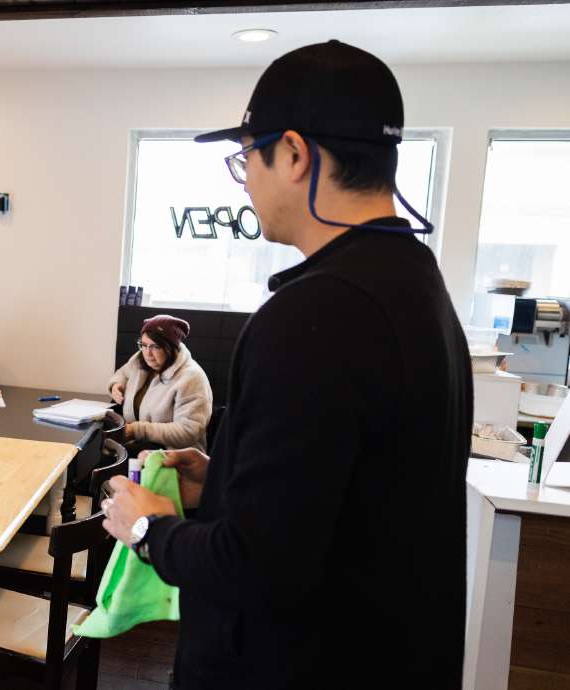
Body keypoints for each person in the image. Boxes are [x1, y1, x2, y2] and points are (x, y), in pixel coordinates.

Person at [100, 41, 471, 689]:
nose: (245, 178)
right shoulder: (417, 285)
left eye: (248, 156)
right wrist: (219, 484)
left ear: (295, 154)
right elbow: (354, 498)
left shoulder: (316, 316)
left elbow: (259, 565)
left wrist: (147, 529)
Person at [108, 314, 212, 451]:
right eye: (143, 345)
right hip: (140, 445)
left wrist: (137, 429)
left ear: (171, 348)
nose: (147, 353)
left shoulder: (192, 377)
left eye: (155, 347)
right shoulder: (140, 360)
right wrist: (116, 385)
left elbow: (188, 431)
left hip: (175, 456)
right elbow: (122, 373)